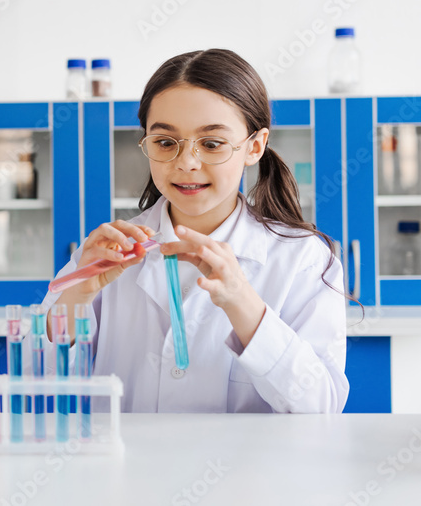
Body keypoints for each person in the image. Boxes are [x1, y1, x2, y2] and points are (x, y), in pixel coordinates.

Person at [43, 49, 349, 413]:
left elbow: (321, 407)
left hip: (249, 471)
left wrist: (244, 304)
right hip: (128, 468)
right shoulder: (103, 253)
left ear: (254, 146)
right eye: (165, 142)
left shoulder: (302, 259)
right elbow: (42, 386)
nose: (186, 162)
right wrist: (76, 295)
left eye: (212, 144)